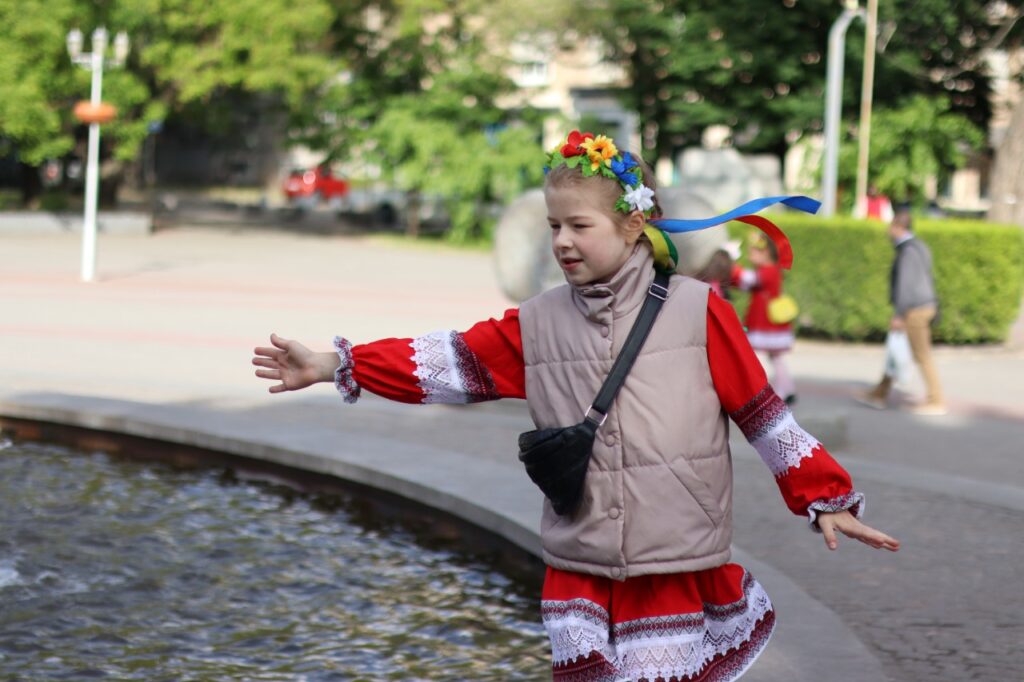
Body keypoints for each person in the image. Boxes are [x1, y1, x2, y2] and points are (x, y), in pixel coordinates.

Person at [253, 130, 900, 682]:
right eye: (553, 225)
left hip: (671, 561)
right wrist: (335, 364)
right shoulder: (535, 323)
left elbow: (763, 417)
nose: (562, 241)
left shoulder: (702, 312)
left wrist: (827, 496)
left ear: (634, 223)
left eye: (579, 226)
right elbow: (447, 361)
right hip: (582, 567)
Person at [859, 207, 946, 415]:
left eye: (891, 226)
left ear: (898, 226)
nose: (888, 231)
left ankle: (936, 400)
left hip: (914, 309)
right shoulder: (920, 246)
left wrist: (899, 313)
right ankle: (879, 393)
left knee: (921, 355)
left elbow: (905, 284)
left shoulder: (907, 251)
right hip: (924, 305)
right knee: (896, 350)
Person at [731, 233, 798, 404]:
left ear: (766, 252)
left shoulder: (769, 271)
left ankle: (769, 391)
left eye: (754, 251)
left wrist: (732, 265)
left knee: (760, 356)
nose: (751, 255)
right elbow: (746, 282)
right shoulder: (769, 270)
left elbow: (748, 279)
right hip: (769, 323)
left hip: (766, 323)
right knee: (776, 357)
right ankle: (786, 388)